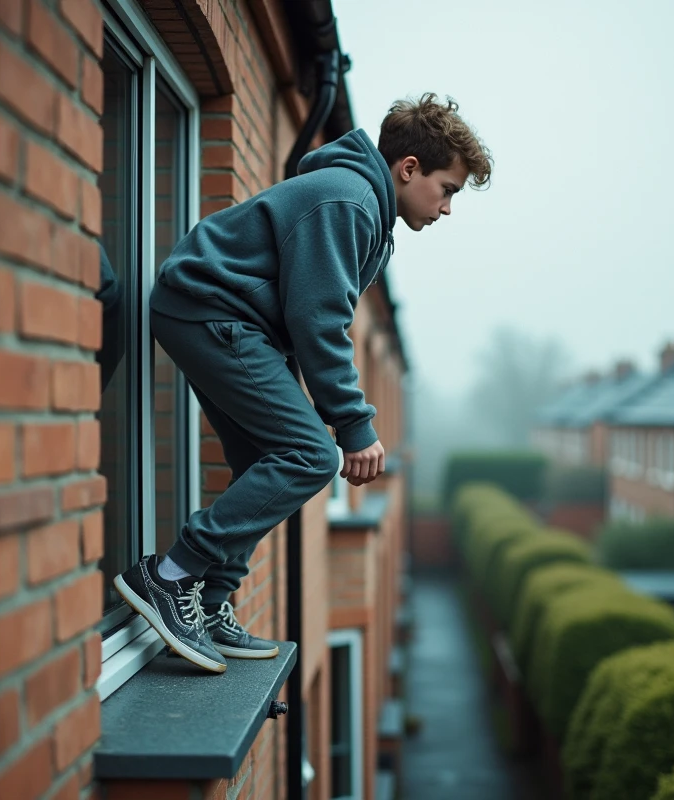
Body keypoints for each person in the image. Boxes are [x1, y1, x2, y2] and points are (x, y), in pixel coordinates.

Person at [114, 93, 493, 673]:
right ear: (409, 168)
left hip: (232, 321)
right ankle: (169, 576)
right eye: (448, 190)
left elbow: (303, 315)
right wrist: (352, 425)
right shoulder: (349, 201)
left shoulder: (362, 205)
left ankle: (210, 604)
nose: (446, 209)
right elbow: (320, 320)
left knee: (269, 463)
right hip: (209, 309)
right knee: (310, 456)